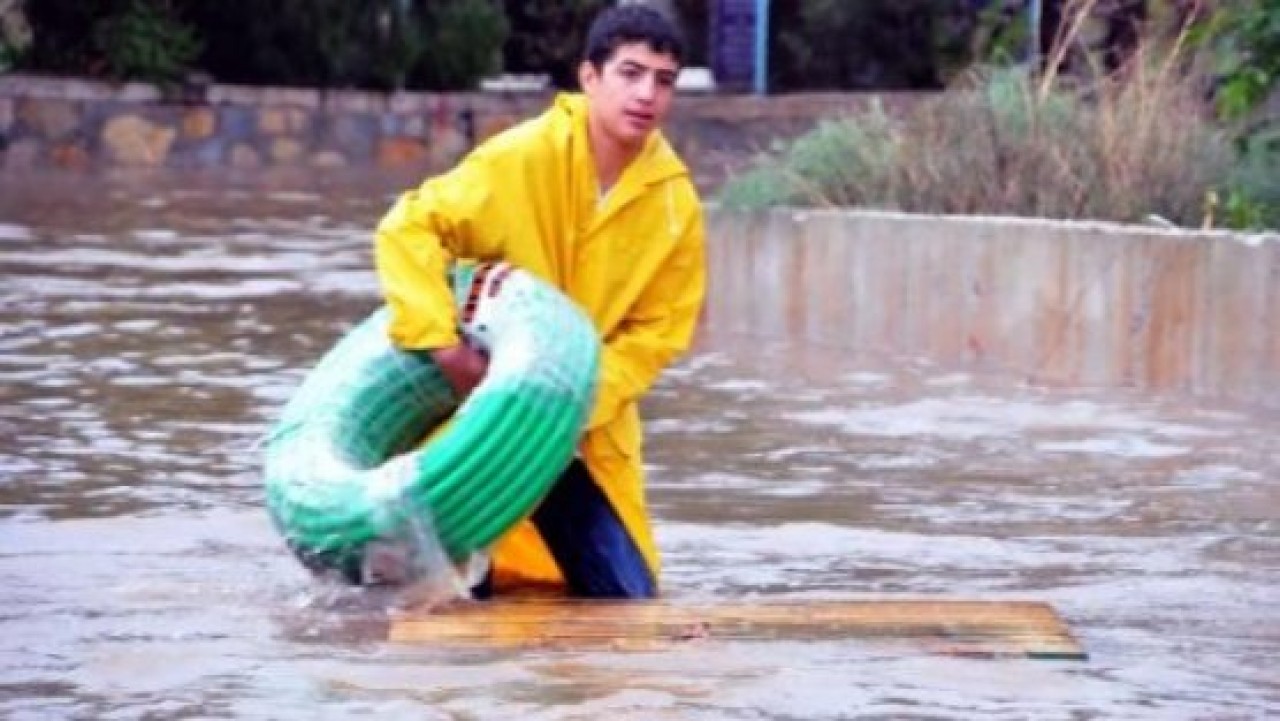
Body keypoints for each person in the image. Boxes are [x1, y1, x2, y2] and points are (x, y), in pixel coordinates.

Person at [373, 5, 705, 599]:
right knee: (449, 612)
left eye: (663, 79)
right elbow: (409, 228)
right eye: (630, 73)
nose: (646, 93)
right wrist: (442, 346)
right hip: (482, 419)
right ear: (589, 78)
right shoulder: (522, 157)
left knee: (628, 610)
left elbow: (657, 334)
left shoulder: (675, 203)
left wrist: (570, 400)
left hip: (587, 436)